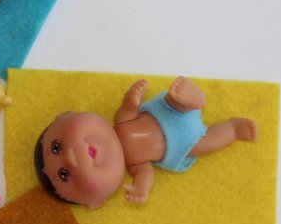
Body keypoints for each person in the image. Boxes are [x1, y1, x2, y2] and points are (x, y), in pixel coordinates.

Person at [35, 76, 258, 208]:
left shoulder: (122, 121)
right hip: (182, 145)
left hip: (166, 113)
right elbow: (146, 174)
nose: (71, 158)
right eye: (64, 174)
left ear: (67, 115)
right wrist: (142, 189)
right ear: (97, 201)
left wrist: (132, 99)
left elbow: (129, 109)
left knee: (172, 102)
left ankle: (188, 101)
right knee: (206, 144)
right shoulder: (135, 165)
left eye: (57, 147)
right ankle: (232, 129)